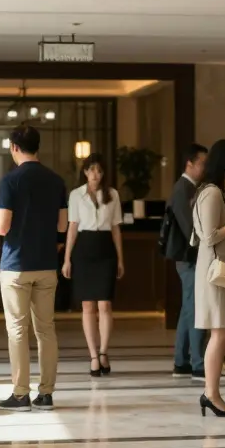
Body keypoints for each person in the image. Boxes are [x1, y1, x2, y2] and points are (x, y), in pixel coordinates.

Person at [0, 124, 68, 413]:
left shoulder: (10, 181)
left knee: (18, 331)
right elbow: (62, 226)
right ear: (37, 147)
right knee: (46, 330)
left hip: (16, 266)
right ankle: (46, 394)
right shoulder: (56, 181)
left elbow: (2, 226)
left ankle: (21, 394)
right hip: (46, 265)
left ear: (14, 147)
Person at [191, 139, 225, 417]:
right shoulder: (211, 193)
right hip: (215, 270)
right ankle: (211, 393)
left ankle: (212, 393)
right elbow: (209, 235)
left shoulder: (217, 192)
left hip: (218, 268)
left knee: (222, 332)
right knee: (221, 332)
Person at [63, 153, 124, 377]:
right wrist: (67, 258)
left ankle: (104, 352)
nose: (95, 174)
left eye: (99, 170)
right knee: (88, 306)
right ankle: (92, 356)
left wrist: (120, 258)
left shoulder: (113, 194)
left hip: (105, 247)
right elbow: (72, 227)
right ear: (85, 172)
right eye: (91, 170)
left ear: (103, 172)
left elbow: (117, 228)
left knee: (105, 305)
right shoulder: (76, 195)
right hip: (84, 249)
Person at [168, 143, 209, 379]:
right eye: (202, 163)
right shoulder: (183, 189)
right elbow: (190, 230)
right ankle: (197, 363)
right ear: (190, 164)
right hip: (189, 258)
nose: (204, 168)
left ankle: (182, 361)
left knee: (188, 308)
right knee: (194, 309)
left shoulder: (189, 188)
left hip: (188, 258)